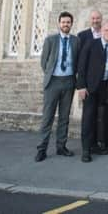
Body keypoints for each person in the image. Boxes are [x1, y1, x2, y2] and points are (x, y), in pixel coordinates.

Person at [35, 11, 79, 162]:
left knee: (64, 117)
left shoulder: (75, 41)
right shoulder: (50, 40)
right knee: (47, 117)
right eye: (63, 22)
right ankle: (42, 149)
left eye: (68, 22)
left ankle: (61, 146)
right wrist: (51, 76)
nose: (66, 24)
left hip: (69, 81)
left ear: (71, 24)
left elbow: (77, 60)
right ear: (59, 24)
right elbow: (44, 62)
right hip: (53, 82)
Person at [76, 21, 108, 162]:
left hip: (105, 88)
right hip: (90, 87)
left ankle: (96, 144)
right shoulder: (91, 44)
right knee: (88, 118)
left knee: (101, 118)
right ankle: (86, 150)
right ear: (102, 31)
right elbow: (81, 66)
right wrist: (81, 86)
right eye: (106, 30)